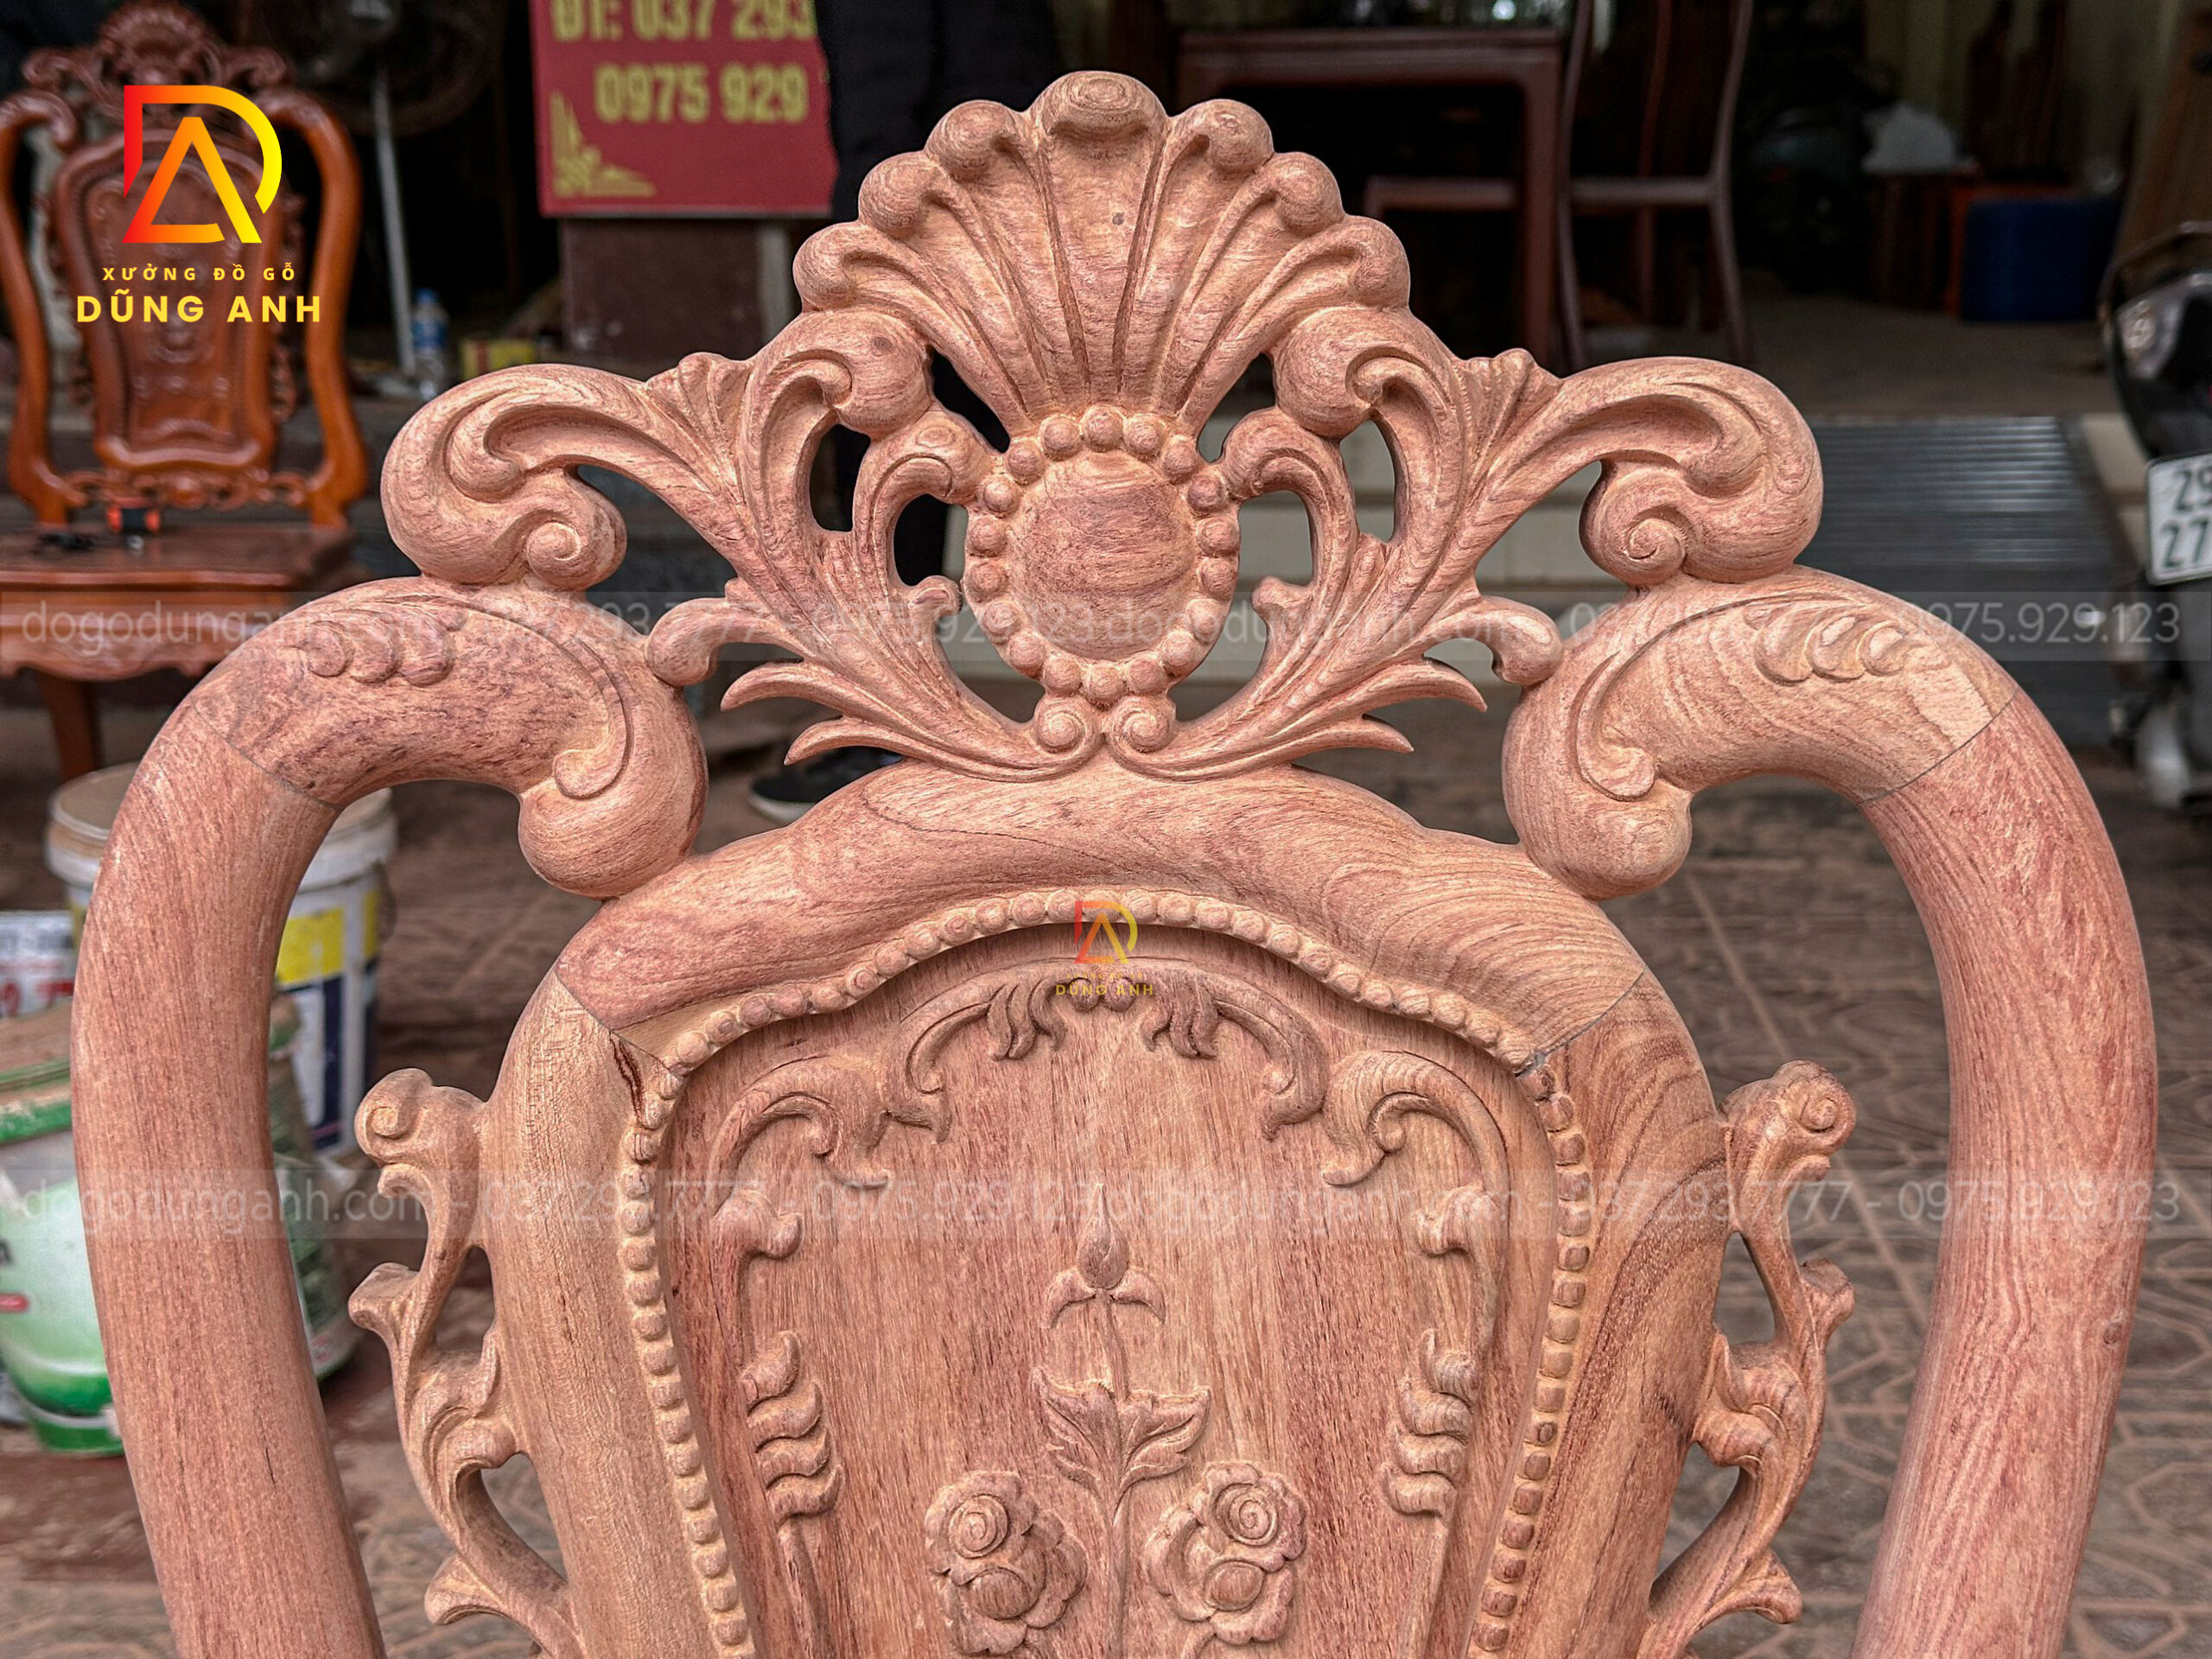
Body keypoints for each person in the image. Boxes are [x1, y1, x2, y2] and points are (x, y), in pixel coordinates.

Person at [748, 0, 1061, 822]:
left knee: (896, 468)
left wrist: (858, 260)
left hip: (918, 221)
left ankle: (885, 733)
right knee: (1024, 452)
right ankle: (1078, 730)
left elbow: (882, 98)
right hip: (1018, 213)